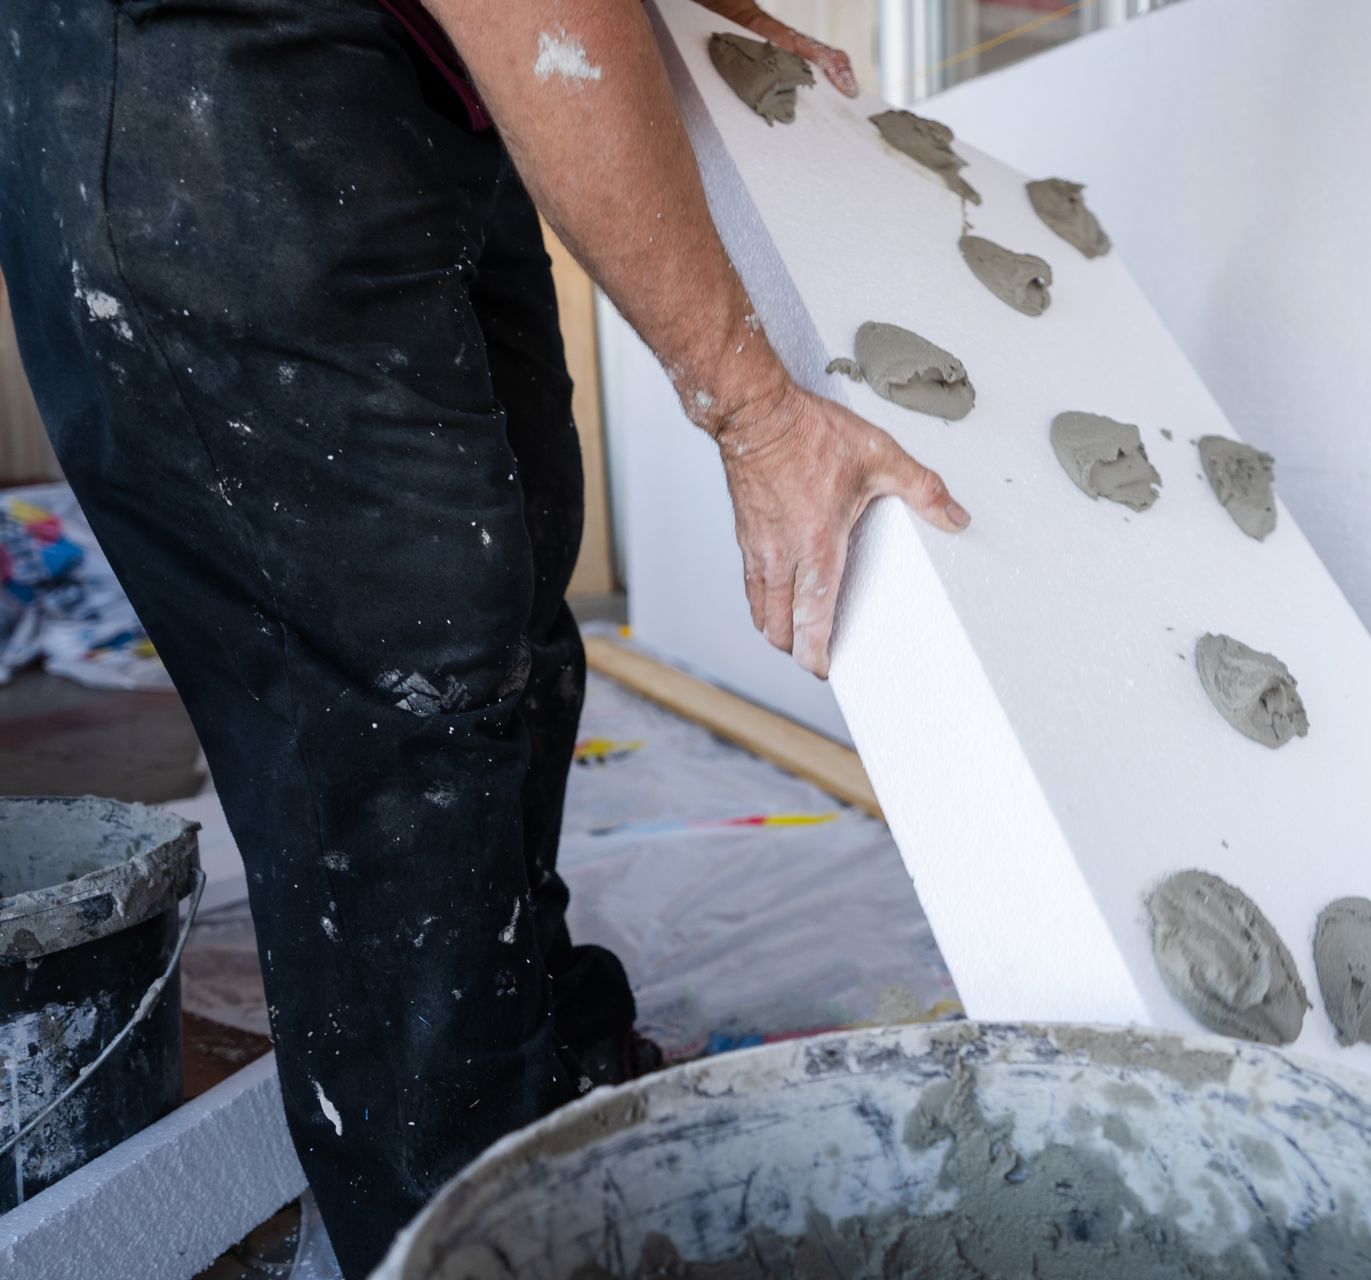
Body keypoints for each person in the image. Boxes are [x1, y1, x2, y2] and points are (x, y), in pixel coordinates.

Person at [0, 1, 969, 1274]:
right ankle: (460, 1217)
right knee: (395, 687)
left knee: (503, 589)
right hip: (194, 64)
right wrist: (755, 411)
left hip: (397, 58)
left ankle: (536, 1068)